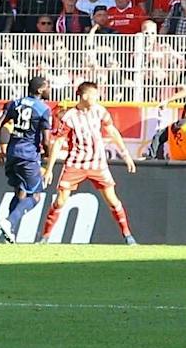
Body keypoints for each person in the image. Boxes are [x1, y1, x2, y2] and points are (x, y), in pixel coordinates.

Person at [40, 81, 138, 244]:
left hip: (98, 163)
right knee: (60, 201)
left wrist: (126, 154)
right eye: (93, 94)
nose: (96, 97)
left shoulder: (100, 111)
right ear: (84, 96)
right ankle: (45, 237)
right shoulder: (69, 117)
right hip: (75, 163)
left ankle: (128, 236)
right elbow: (57, 143)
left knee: (112, 200)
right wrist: (49, 169)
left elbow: (112, 131)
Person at [0, 70, 52, 243]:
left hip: (11, 153)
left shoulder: (14, 103)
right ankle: (8, 222)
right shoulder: (43, 110)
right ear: (40, 90)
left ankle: (8, 232)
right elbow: (46, 141)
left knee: (20, 192)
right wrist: (47, 160)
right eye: (47, 87)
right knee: (36, 196)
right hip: (28, 156)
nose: (49, 89)